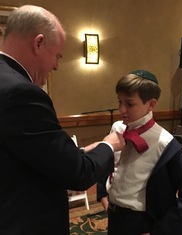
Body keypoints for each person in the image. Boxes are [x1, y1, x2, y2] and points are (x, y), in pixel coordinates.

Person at [0, 5, 125, 235]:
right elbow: (77, 174)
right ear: (38, 43)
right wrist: (110, 144)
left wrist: (79, 153)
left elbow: (28, 151)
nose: (57, 65)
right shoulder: (21, 93)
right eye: (57, 55)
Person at [104, 70, 182, 235]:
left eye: (129, 104)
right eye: (119, 101)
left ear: (151, 104)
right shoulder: (117, 129)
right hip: (114, 215)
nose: (121, 109)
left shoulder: (165, 143)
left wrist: (162, 231)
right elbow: (110, 165)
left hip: (141, 222)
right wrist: (103, 193)